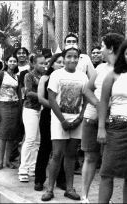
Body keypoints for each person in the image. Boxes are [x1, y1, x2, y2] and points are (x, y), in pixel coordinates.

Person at [81, 33, 125, 203]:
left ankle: (107, 198)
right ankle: (84, 196)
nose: (100, 50)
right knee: (90, 158)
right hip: (92, 119)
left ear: (111, 48)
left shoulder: (122, 70)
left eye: (102, 46)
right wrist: (100, 105)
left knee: (108, 166)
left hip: (114, 125)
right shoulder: (99, 68)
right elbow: (86, 90)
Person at [41, 45, 88, 201]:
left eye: (75, 57)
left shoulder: (83, 76)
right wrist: (62, 120)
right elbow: (52, 99)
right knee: (56, 154)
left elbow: (86, 99)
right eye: (69, 56)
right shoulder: (56, 75)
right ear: (64, 58)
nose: (72, 59)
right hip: (59, 120)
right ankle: (49, 189)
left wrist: (80, 117)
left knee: (71, 155)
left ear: (78, 59)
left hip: (77, 121)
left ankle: (69, 188)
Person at [97, 40, 127, 204]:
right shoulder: (113, 75)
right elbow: (103, 102)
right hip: (116, 128)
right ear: (123, 54)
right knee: (107, 173)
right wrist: (101, 128)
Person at [34, 53, 66, 191]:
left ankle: (61, 180)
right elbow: (41, 98)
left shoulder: (68, 78)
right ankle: (39, 180)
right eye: (59, 62)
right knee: (45, 148)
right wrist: (56, 108)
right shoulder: (45, 78)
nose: (62, 64)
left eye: (63, 62)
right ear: (52, 63)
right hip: (48, 115)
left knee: (61, 150)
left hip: (64, 117)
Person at [18, 54, 45, 182]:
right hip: (30, 110)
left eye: (45, 63)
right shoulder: (29, 75)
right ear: (33, 64)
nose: (43, 65)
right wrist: (42, 97)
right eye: (40, 63)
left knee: (37, 141)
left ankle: (32, 167)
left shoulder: (44, 76)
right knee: (30, 139)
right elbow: (28, 92)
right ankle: (23, 169)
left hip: (41, 110)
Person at [0, 54, 21, 170]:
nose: (12, 63)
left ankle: (7, 161)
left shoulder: (17, 76)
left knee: (11, 135)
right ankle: (0, 162)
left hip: (14, 105)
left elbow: (19, 93)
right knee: (2, 135)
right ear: (6, 62)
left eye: (14, 61)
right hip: (3, 105)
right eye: (10, 61)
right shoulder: (0, 75)